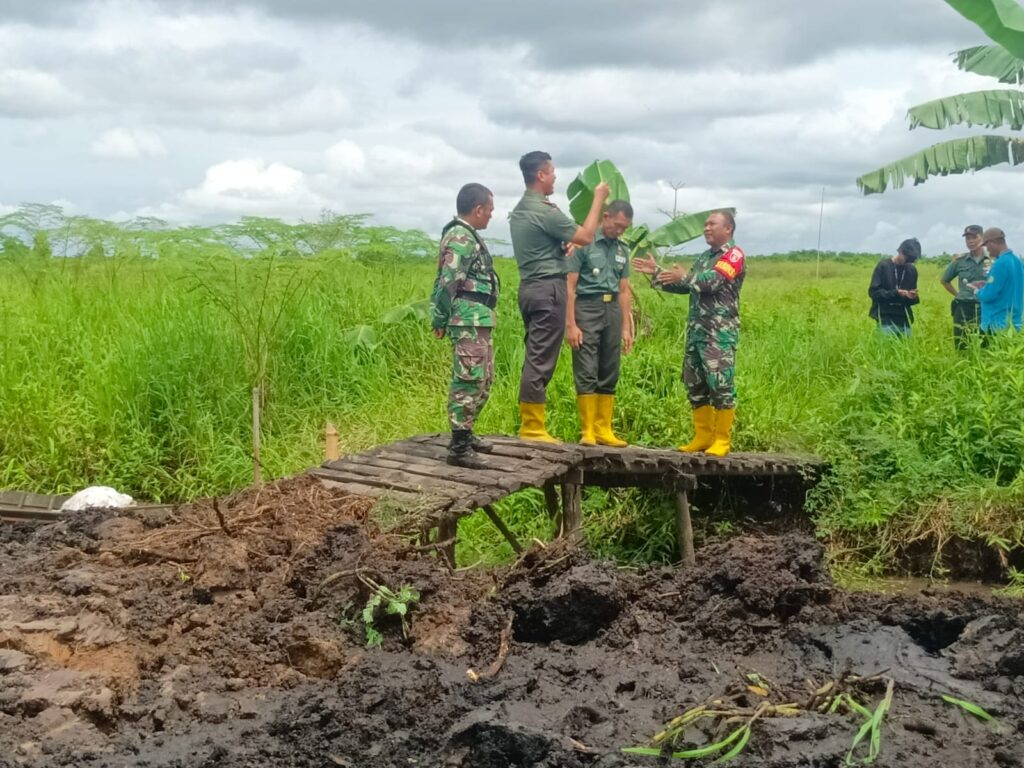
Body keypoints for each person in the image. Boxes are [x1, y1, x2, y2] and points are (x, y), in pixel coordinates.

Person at [509, 151, 610, 443]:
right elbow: (587, 236)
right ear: (540, 175)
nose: (555, 177)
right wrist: (598, 198)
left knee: (535, 354)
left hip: (529, 287)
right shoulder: (544, 210)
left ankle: (532, 423)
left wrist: (559, 247)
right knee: (541, 359)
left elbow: (543, 243)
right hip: (548, 289)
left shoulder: (521, 210)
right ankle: (532, 427)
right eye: (552, 172)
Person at [631, 211, 745, 457]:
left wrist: (686, 276)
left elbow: (711, 282)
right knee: (695, 383)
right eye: (705, 224)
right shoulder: (705, 257)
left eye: (712, 224)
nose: (706, 228)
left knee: (720, 384)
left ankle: (722, 440)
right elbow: (686, 285)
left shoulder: (733, 255)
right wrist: (656, 272)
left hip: (719, 333)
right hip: (696, 331)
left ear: (728, 229)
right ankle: (703, 436)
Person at [430, 183, 498, 469]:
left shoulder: (469, 236)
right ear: (478, 209)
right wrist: (439, 318)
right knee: (468, 380)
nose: (491, 216)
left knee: (484, 379)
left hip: (479, 317)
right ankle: (458, 447)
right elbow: (448, 280)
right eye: (490, 210)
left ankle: (466, 434)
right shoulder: (460, 236)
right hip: (466, 319)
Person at [565, 200, 634, 447]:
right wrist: (571, 324)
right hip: (587, 306)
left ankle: (604, 429)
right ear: (606, 217)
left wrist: (626, 327)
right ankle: (588, 431)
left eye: (624, 228)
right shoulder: (583, 243)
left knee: (609, 367)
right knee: (586, 366)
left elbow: (624, 291)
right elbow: (570, 286)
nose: (620, 231)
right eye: (617, 225)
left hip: (612, 308)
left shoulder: (622, 250)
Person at [940, 225, 989, 349]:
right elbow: (945, 280)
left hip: (985, 308)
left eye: (974, 237)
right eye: (967, 238)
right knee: (961, 344)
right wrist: (958, 294)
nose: (970, 241)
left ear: (982, 238)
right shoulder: (960, 261)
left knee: (985, 344)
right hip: (963, 308)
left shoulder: (992, 260)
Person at [868, 238, 920, 336]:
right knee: (884, 350)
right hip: (885, 319)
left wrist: (912, 297)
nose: (908, 262)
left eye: (912, 260)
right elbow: (874, 292)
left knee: (906, 350)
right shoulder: (883, 266)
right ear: (900, 251)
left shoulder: (912, 270)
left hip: (904, 319)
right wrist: (895, 293)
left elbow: (912, 297)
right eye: (907, 258)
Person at [976, 227, 1024, 333]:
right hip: (1015, 324)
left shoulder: (1000, 264)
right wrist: (987, 285)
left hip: (997, 325)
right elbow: (1009, 286)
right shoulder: (1018, 262)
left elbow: (988, 295)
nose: (986, 250)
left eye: (986, 245)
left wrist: (977, 291)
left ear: (992, 242)